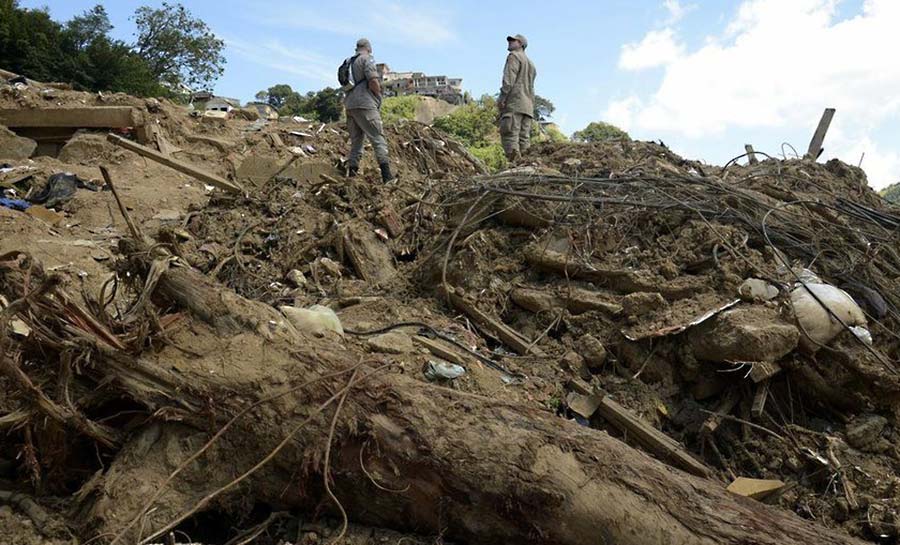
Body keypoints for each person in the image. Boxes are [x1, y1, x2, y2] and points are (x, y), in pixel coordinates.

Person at [344, 38, 394, 182]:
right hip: (365, 103)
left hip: (350, 105)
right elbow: (373, 81)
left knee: (356, 142)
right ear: (368, 48)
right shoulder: (367, 59)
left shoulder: (348, 61)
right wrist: (378, 96)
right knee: (378, 138)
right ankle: (387, 178)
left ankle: (351, 177)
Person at [498, 34, 537, 162]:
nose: (509, 42)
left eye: (513, 40)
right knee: (524, 139)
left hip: (514, 104)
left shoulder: (513, 57)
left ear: (520, 44)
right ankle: (526, 166)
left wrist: (502, 98)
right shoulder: (531, 64)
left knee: (510, 136)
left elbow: (508, 81)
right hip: (528, 107)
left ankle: (515, 166)